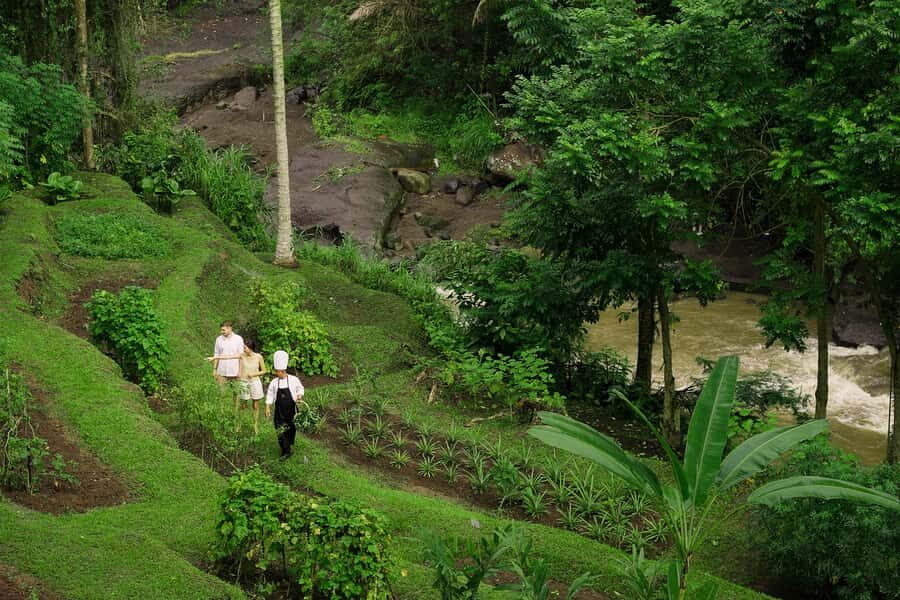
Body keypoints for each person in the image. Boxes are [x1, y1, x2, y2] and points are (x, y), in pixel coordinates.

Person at [265, 350, 304, 458]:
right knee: (280, 429)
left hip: (291, 409)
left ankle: (288, 445)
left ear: (282, 371)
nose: (276, 373)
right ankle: (286, 450)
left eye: (277, 371)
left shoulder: (293, 380)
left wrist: (299, 395)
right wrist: (268, 407)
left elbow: (300, 389)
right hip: (279, 411)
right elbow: (270, 395)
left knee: (291, 428)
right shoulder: (274, 382)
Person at [212, 321, 244, 407]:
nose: (221, 332)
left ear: (230, 328)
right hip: (221, 371)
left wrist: (240, 371)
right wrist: (214, 369)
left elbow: (241, 356)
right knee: (221, 393)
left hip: (235, 371)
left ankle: (235, 413)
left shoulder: (238, 339)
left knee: (236, 393)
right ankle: (222, 412)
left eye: (223, 330)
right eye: (221, 330)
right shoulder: (219, 339)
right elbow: (216, 354)